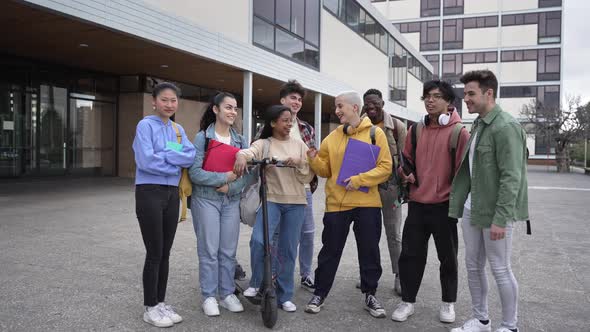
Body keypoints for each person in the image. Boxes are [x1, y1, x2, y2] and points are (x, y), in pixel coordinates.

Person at [450, 70, 528, 332]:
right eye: (465, 93)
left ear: (489, 93)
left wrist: (501, 219)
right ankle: (481, 320)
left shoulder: (505, 126)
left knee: (500, 269)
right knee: (473, 266)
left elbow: (511, 177)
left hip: (495, 213)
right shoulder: (479, 124)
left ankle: (510, 326)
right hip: (473, 208)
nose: (466, 99)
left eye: (471, 93)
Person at [304, 91, 392, 318]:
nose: (337, 111)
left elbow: (385, 167)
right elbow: (325, 170)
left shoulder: (376, 133)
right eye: (336, 106)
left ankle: (370, 294)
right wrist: (314, 158)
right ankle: (320, 293)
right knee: (329, 251)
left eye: (340, 106)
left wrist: (360, 180)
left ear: (355, 108)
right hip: (337, 205)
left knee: (369, 251)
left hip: (368, 204)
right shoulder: (332, 137)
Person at [391, 80, 470, 324]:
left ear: (449, 102)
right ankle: (408, 301)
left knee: (448, 257)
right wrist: (406, 173)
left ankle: (448, 303)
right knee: (410, 255)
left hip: (444, 207)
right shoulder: (416, 130)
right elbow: (405, 160)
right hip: (417, 203)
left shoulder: (459, 132)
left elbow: (463, 172)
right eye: (427, 96)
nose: (430, 100)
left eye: (436, 96)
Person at [234, 105, 314, 312]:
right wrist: (242, 157)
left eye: (290, 120)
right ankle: (256, 284)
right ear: (272, 123)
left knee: (288, 249)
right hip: (271, 201)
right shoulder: (264, 143)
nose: (289, 124)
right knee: (259, 241)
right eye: (284, 120)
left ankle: (284, 295)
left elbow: (308, 176)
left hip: (296, 203)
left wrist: (299, 163)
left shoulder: (299, 146)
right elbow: (248, 152)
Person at [132, 82, 196, 328]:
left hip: (172, 193)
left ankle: (160, 302)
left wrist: (167, 155)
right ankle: (150, 307)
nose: (169, 104)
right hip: (149, 192)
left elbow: (190, 156)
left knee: (166, 252)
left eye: (173, 100)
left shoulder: (178, 129)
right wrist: (174, 161)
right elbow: (146, 160)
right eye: (164, 100)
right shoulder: (145, 125)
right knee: (154, 252)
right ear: (154, 102)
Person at [188, 92, 251, 317]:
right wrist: (224, 178)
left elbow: (248, 176)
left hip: (230, 200)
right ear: (216, 109)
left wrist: (231, 188)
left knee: (228, 250)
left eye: (235, 108)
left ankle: (226, 294)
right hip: (205, 199)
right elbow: (194, 173)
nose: (233, 112)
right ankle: (209, 296)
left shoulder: (241, 141)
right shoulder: (201, 138)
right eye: (228, 107)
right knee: (209, 250)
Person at [254, 79, 318, 291]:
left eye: (300, 99)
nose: (297, 102)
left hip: (303, 190)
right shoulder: (270, 126)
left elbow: (313, 158)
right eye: (293, 97)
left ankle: (306, 274)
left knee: (307, 233)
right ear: (282, 100)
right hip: (276, 191)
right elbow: (257, 151)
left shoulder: (306, 129)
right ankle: (273, 274)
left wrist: (305, 163)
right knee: (276, 236)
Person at [359, 88, 407, 295]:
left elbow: (406, 161)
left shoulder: (397, 126)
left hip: (390, 188)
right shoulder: (358, 125)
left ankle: (400, 276)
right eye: (367, 103)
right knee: (368, 234)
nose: (371, 107)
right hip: (366, 188)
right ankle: (369, 277)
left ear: (382, 103)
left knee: (393, 234)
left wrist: (405, 189)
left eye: (375, 103)